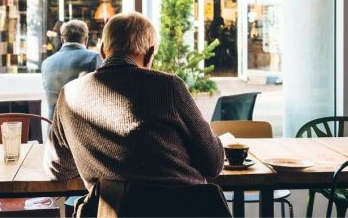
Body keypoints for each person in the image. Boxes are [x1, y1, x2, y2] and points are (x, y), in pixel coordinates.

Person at [43, 12, 224, 215]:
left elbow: (57, 169)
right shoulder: (169, 87)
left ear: (103, 51)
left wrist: (98, 161)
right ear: (149, 54)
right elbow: (213, 163)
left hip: (111, 212)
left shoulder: (69, 94)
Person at [41, 19, 102, 120]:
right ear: (86, 40)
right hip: (80, 130)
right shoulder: (93, 58)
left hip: (52, 129)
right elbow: (99, 97)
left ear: (62, 40)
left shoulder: (46, 63)